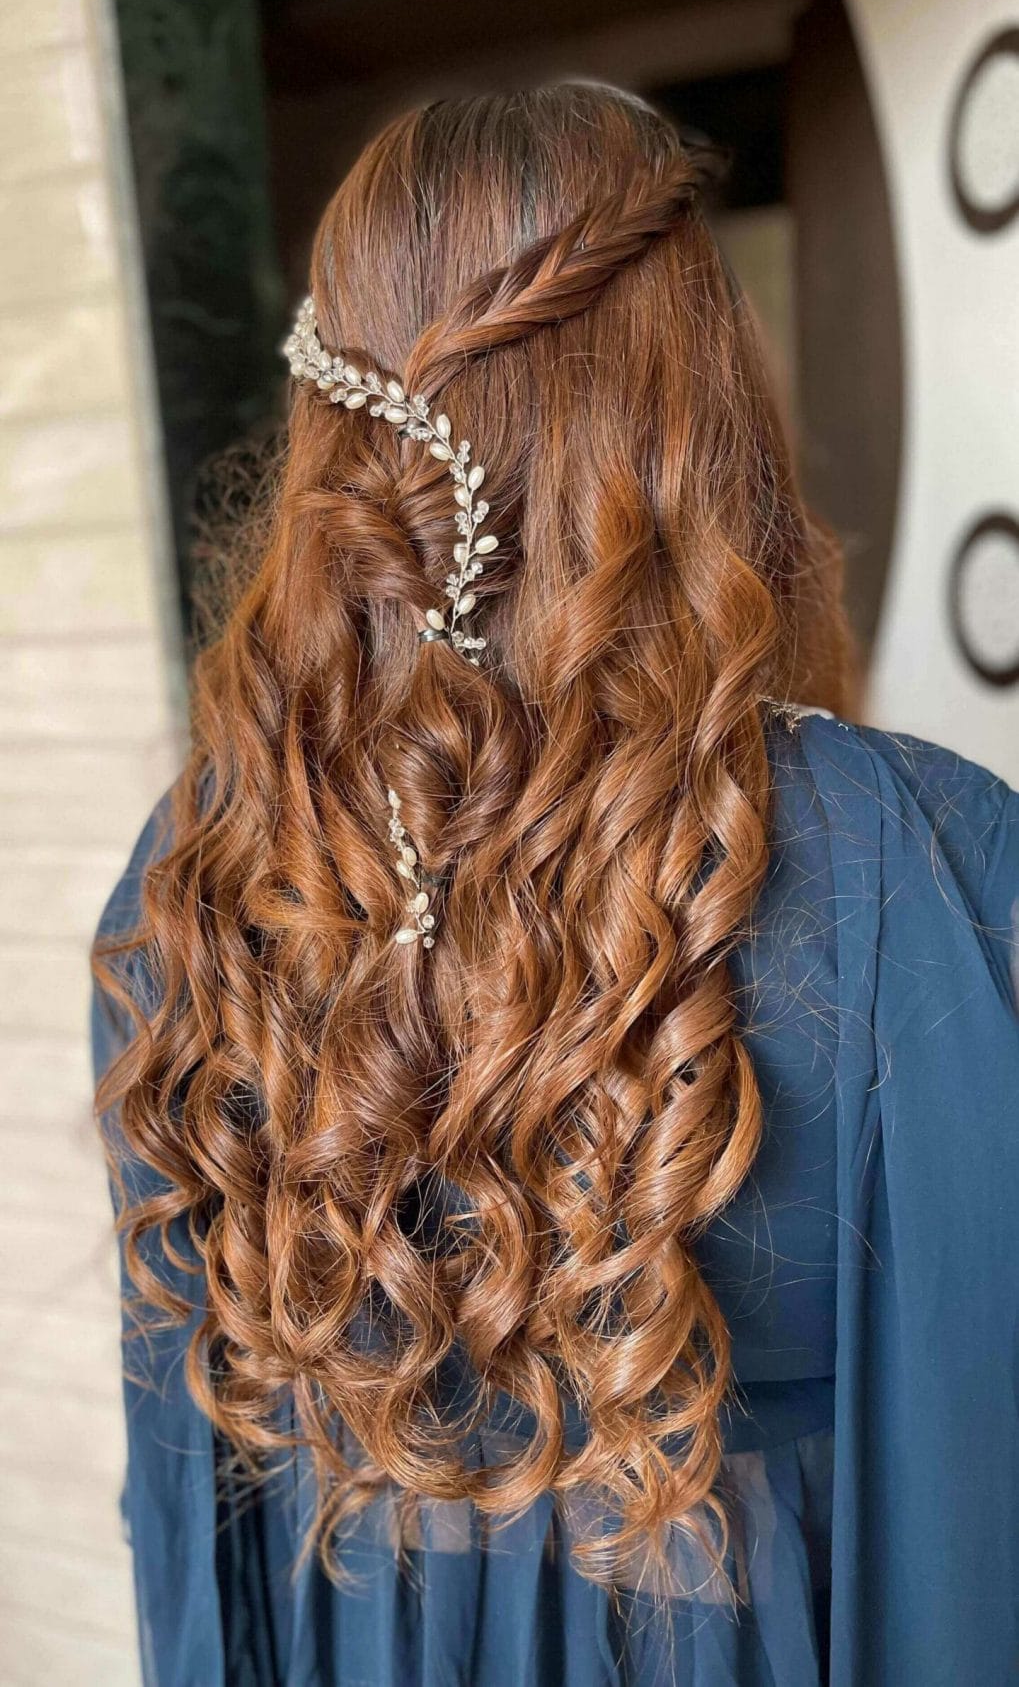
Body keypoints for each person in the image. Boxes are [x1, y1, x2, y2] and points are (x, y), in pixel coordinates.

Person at [92, 83, 1019, 1687]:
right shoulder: (916, 872)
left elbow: (195, 1541)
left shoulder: (192, 878)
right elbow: (982, 1511)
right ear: (701, 407)